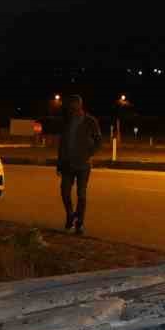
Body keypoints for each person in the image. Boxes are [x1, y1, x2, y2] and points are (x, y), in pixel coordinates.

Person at [56, 94, 102, 233]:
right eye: (71, 105)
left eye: (75, 105)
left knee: (81, 195)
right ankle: (70, 215)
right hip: (67, 164)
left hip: (83, 165)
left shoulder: (90, 121)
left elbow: (98, 141)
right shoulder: (67, 121)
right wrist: (59, 164)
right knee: (64, 192)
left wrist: (88, 154)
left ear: (80, 105)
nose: (72, 108)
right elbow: (62, 144)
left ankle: (79, 224)